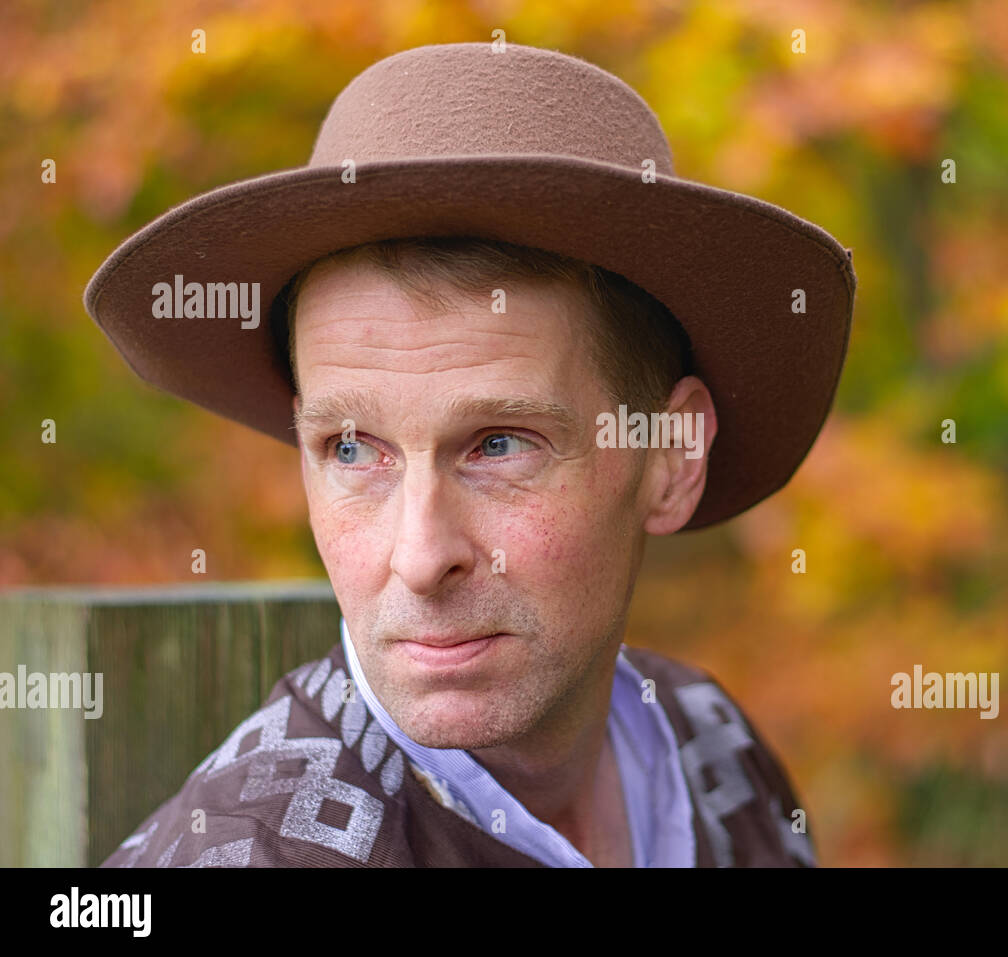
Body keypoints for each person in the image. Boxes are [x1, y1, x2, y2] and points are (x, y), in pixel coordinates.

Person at [86, 41, 856, 867]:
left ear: (670, 458)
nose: (419, 557)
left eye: (496, 444)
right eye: (351, 448)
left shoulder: (713, 750)